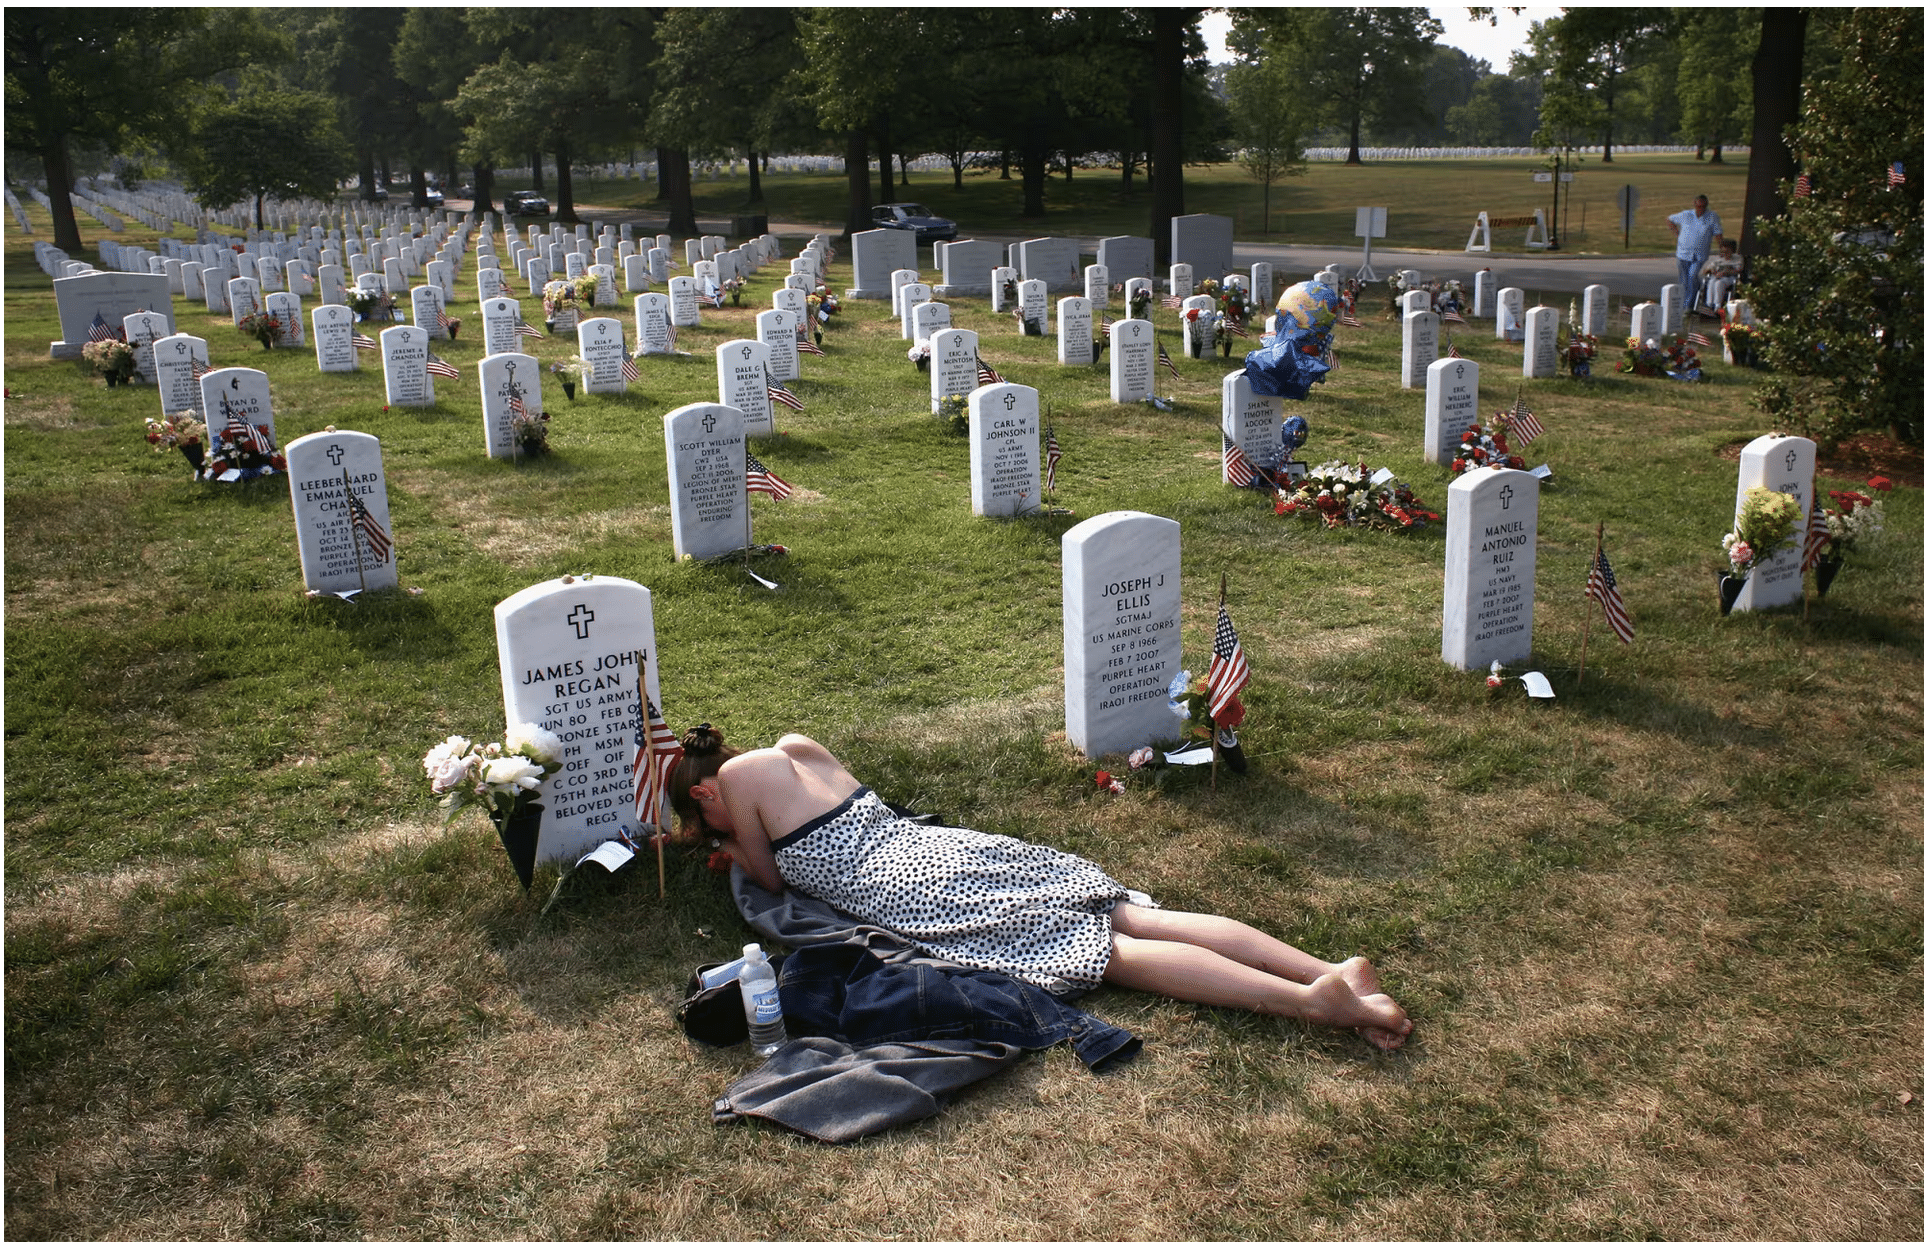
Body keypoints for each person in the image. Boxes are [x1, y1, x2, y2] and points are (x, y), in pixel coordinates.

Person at [669, 726, 1413, 1050]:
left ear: (702, 797)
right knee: (1126, 912)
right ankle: (1330, 971)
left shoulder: (735, 784)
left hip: (908, 885)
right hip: (939, 845)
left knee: (1104, 949)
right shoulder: (798, 747)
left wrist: (731, 845)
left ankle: (1309, 1003)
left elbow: (769, 879)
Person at [1667, 195, 1725, 315]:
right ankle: (1684, 303)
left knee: (1692, 275)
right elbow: (1670, 219)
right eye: (1698, 206)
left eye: (1703, 206)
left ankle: (1688, 304)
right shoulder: (1686, 214)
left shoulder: (1712, 217)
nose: (1701, 209)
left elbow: (1718, 233)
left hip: (1699, 254)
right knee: (1684, 279)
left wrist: (1722, 248)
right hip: (1683, 252)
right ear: (1694, 204)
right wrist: (1676, 233)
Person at [1700, 239, 1741, 316]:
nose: (1725, 253)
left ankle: (1717, 306)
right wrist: (1711, 270)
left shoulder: (1737, 259)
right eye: (1723, 251)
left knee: (1719, 283)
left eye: (1727, 251)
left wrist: (1725, 272)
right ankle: (1709, 304)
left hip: (1729, 278)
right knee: (1711, 282)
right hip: (1716, 277)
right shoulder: (1718, 260)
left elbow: (1738, 270)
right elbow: (1705, 271)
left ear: (1732, 250)